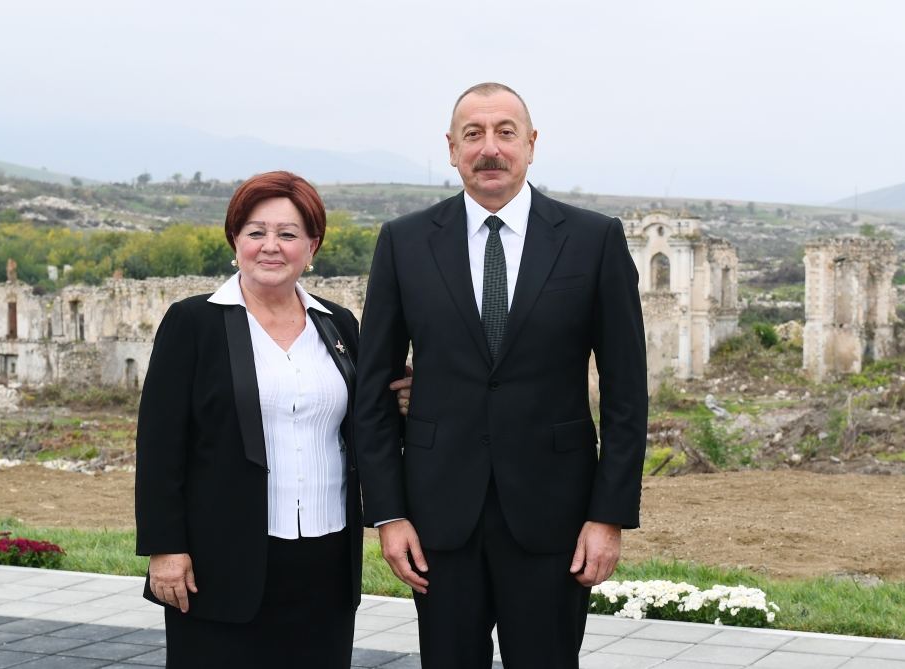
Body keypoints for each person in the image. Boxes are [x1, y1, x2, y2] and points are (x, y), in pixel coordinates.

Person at [355, 83, 648, 669]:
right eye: (474, 134)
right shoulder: (404, 243)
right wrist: (388, 514)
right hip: (439, 518)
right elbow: (373, 392)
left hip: (556, 517)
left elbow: (625, 393)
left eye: (505, 132)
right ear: (451, 148)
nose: (490, 148)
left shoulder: (594, 241)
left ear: (532, 144)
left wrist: (608, 515)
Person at [135, 171, 365, 668]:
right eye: (256, 232)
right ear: (234, 240)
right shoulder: (193, 323)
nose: (271, 246)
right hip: (222, 562)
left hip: (326, 561)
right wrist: (164, 548)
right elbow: (159, 444)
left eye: (288, 233)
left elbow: (363, 420)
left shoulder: (339, 324)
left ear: (312, 245)